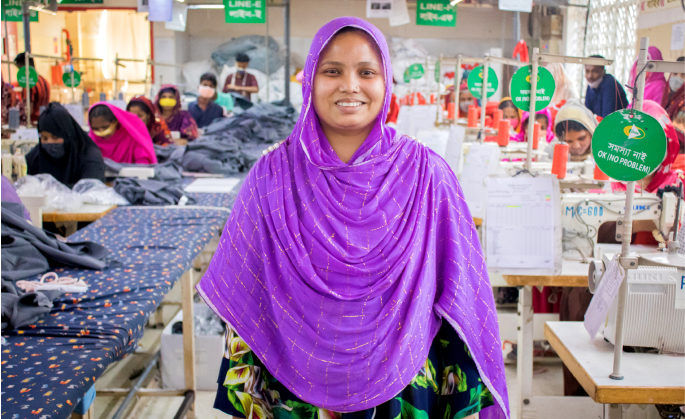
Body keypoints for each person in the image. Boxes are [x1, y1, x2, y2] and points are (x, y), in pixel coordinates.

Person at [197, 18, 508, 419]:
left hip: (405, 382)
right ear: (310, 79)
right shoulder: (271, 177)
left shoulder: (427, 175)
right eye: (332, 71)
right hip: (289, 385)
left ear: (386, 82)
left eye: (366, 72)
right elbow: (245, 295)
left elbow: (462, 292)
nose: (349, 86)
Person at [26, 103, 105, 187]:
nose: (50, 142)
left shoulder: (90, 158)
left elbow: (91, 190)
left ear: (68, 135)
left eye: (55, 137)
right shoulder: (36, 157)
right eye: (45, 138)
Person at [88, 102, 157, 164]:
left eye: (105, 127)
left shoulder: (133, 138)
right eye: (95, 129)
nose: (101, 132)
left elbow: (144, 166)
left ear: (116, 121)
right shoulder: (89, 141)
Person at [14, 53, 51, 124]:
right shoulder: (44, 80)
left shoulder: (29, 84)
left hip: (32, 122)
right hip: (44, 120)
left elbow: (28, 109)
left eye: (19, 68)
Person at [662, 56, 685, 152]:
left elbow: (678, 138)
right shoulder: (668, 98)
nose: (677, 78)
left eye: (683, 75)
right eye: (675, 74)